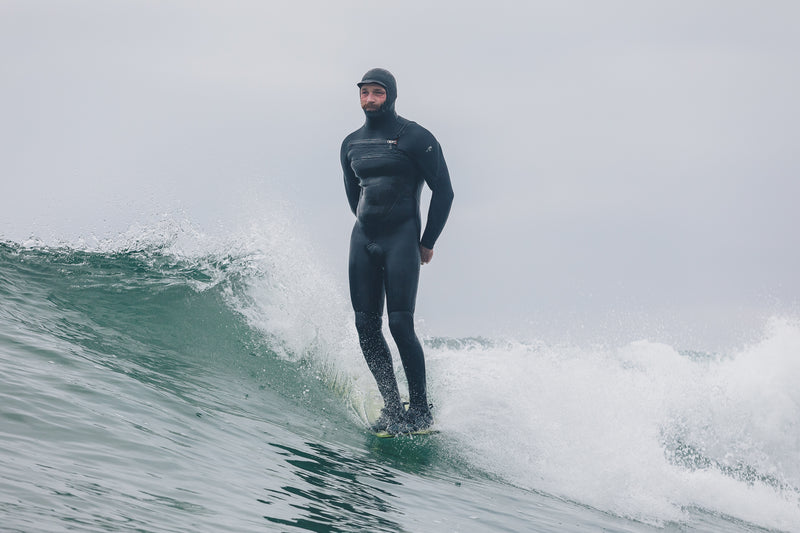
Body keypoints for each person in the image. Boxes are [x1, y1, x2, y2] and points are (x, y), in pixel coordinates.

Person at [340, 68, 454, 434]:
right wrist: (368, 226)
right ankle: (391, 407)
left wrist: (428, 241)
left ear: (390, 95)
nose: (370, 99)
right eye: (364, 93)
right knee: (365, 325)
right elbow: (353, 195)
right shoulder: (350, 143)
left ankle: (420, 409)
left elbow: (444, 191)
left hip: (402, 239)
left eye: (377, 92)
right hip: (364, 240)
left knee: (400, 323)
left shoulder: (415, 137)